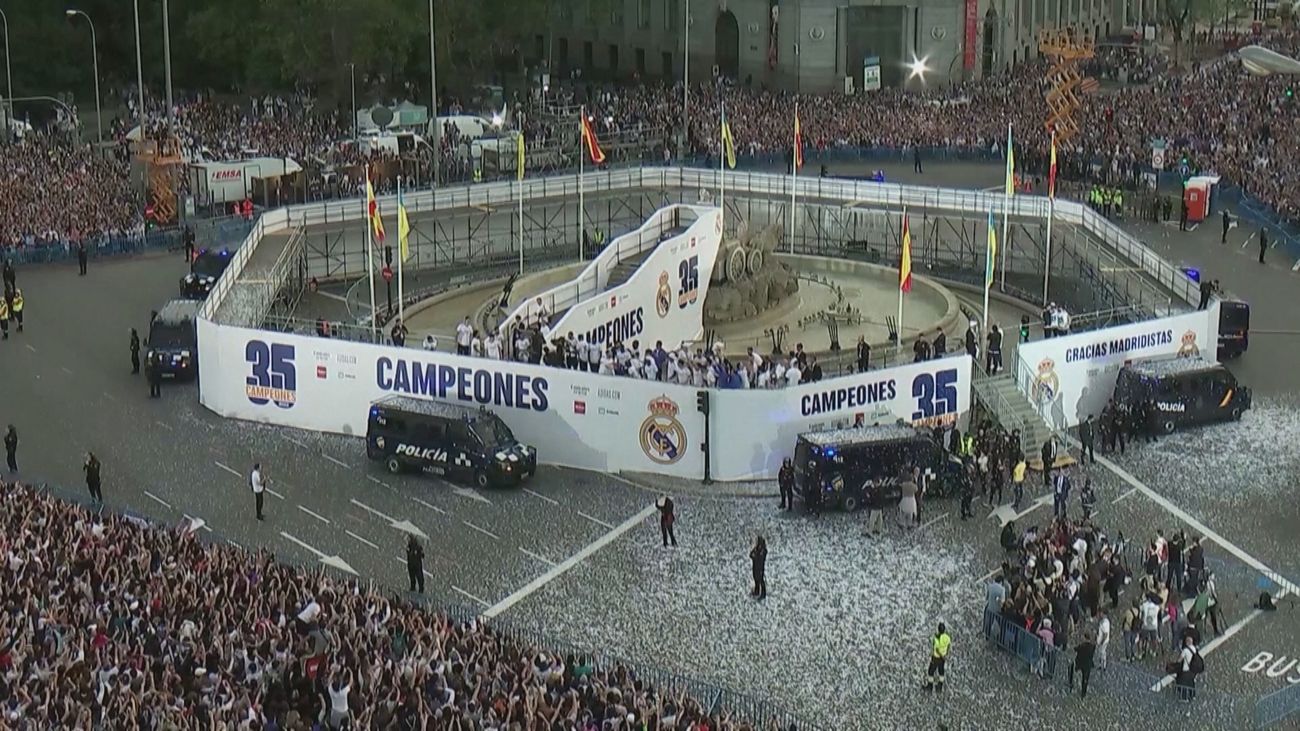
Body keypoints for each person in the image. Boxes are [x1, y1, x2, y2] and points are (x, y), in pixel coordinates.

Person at [923, 622, 951, 691]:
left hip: (936, 658)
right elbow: (949, 645)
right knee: (941, 671)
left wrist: (941, 656)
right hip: (943, 657)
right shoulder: (947, 637)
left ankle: (930, 686)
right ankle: (940, 686)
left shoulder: (936, 639)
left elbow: (937, 649)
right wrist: (946, 654)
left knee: (930, 671)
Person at [1070, 632, 1097, 698]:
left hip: (1080, 663)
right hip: (1088, 664)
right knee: (1085, 679)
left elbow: (1075, 649)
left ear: (1085, 638)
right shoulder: (1092, 647)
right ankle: (1083, 693)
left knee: (1072, 671)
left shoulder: (1082, 646)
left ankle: (1071, 685)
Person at [749, 534, 767, 599]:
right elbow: (751, 555)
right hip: (755, 566)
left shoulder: (763, 551)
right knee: (756, 579)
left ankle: (763, 593)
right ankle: (756, 591)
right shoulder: (757, 550)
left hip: (760, 567)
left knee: (761, 579)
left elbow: (761, 558)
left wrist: (756, 556)